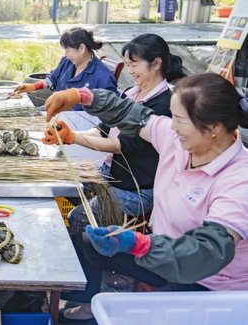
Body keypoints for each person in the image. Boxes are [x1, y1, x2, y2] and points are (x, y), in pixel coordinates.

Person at [44, 73, 248, 321]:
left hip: (206, 284)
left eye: (180, 120)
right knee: (88, 242)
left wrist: (139, 245)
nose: (172, 126)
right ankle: (88, 305)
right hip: (163, 251)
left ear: (214, 128)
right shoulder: (177, 141)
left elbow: (206, 251)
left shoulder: (239, 180)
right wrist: (80, 96)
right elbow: (133, 115)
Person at [43, 34, 186, 233]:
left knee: (77, 217)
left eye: (134, 65)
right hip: (112, 174)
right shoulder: (132, 92)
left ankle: (94, 258)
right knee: (65, 181)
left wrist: (73, 138)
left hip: (136, 190)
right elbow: (104, 129)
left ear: (156, 63)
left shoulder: (164, 105)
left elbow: (119, 145)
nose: (130, 71)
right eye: (127, 65)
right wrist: (68, 134)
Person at [13, 27, 117, 109]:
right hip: (56, 111)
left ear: (81, 48)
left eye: (67, 50)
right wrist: (31, 87)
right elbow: (51, 80)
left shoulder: (102, 77)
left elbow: (110, 108)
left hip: (78, 122)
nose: (65, 54)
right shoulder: (67, 62)